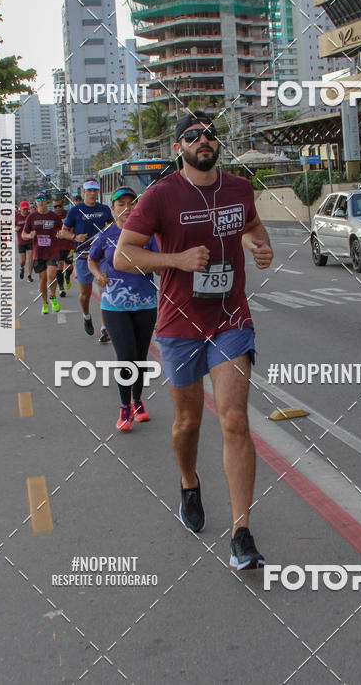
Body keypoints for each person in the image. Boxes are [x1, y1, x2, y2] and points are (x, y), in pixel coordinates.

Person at [115, 110, 273, 570]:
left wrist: (261, 247)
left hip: (231, 318)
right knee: (188, 424)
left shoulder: (239, 188)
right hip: (180, 325)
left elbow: (251, 227)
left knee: (235, 420)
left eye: (209, 134)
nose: (203, 140)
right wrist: (178, 260)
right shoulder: (161, 194)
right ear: (178, 148)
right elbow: (125, 255)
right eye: (192, 136)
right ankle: (188, 481)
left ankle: (241, 533)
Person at [88, 187, 157, 430]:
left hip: (146, 303)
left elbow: (161, 264)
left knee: (139, 356)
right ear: (113, 209)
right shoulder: (106, 235)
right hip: (114, 305)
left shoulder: (148, 236)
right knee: (126, 355)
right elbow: (92, 258)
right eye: (121, 204)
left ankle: (138, 402)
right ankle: (124, 407)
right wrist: (97, 275)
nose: (127, 208)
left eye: (132, 203)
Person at [60, 179, 112, 336]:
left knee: (104, 289)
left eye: (95, 190)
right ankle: (86, 316)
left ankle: (104, 328)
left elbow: (112, 226)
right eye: (89, 191)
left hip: (101, 256)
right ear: (83, 193)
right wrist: (75, 237)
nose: (92, 193)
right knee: (85, 295)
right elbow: (64, 232)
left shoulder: (104, 209)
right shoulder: (75, 210)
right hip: (83, 257)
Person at [22, 193, 63, 314]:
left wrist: (60, 234)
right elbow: (23, 235)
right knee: (42, 278)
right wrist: (30, 235)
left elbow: (62, 229)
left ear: (47, 202)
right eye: (38, 200)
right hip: (38, 252)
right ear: (36, 202)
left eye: (43, 199)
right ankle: (45, 303)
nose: (41, 202)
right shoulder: (31, 217)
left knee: (52, 274)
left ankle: (53, 296)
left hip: (52, 250)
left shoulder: (53, 216)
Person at [51, 195, 73, 298]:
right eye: (55, 206)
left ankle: (67, 276)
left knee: (69, 266)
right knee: (59, 266)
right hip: (57, 246)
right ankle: (61, 288)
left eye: (59, 206)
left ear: (63, 205)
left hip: (69, 245)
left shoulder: (69, 214)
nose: (58, 208)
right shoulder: (52, 217)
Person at [15, 201, 34, 281]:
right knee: (22, 261)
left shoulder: (30, 216)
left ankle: (29, 275)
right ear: (20, 209)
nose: (25, 211)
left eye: (26, 209)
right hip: (21, 242)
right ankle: (22, 268)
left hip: (30, 241)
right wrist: (15, 228)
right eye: (23, 209)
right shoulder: (16, 217)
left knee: (31, 258)